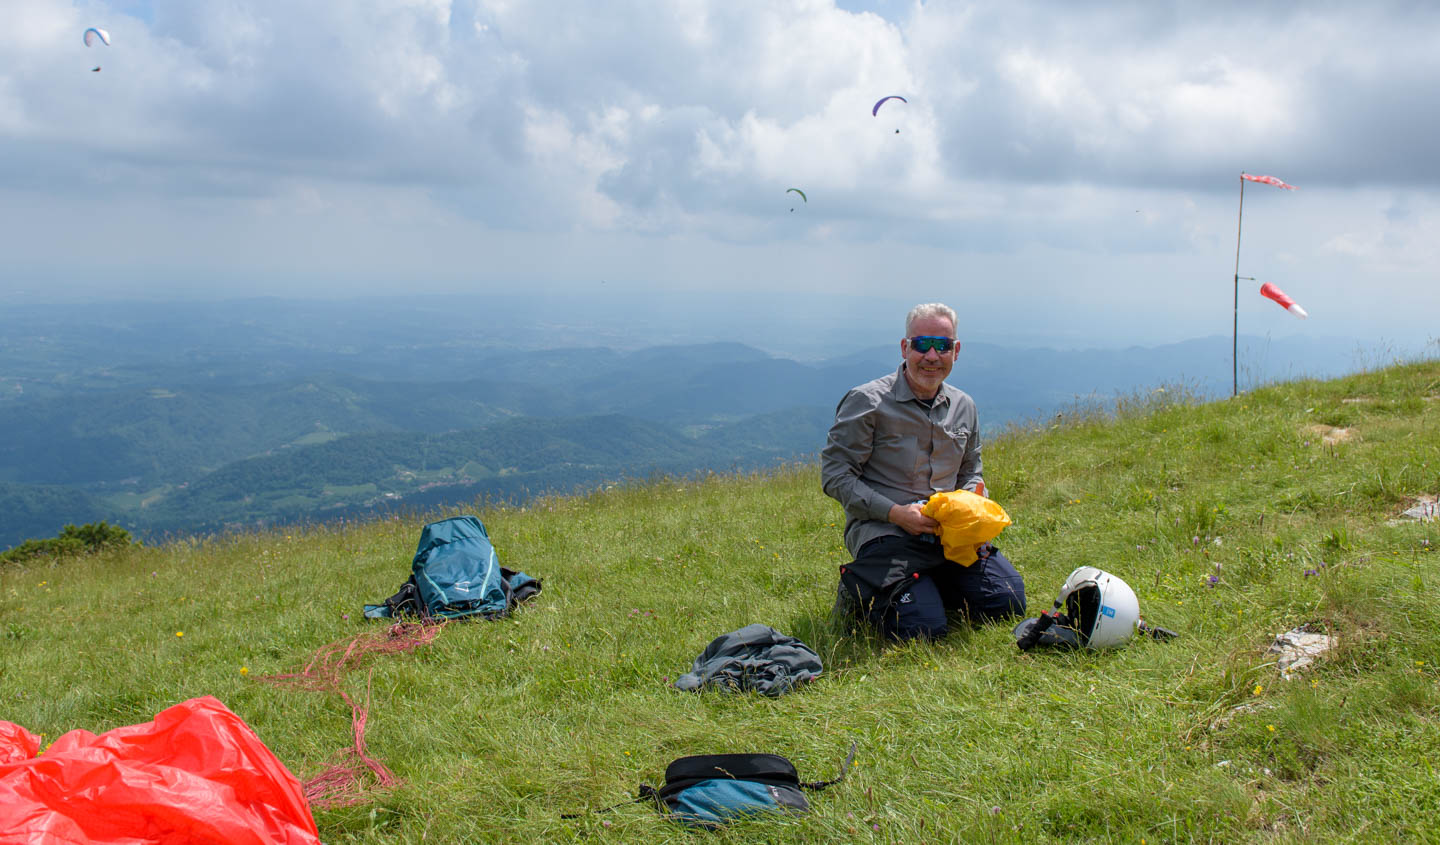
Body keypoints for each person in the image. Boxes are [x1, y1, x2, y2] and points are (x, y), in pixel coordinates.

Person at [821, 303, 1025, 641]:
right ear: (905, 348)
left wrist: (974, 504)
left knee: (1006, 602)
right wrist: (897, 514)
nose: (932, 355)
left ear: (955, 352)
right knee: (921, 629)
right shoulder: (868, 402)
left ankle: (928, 583)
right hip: (885, 531)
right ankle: (863, 593)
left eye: (943, 346)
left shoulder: (964, 406)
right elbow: (835, 476)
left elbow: (971, 471)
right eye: (922, 344)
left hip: (949, 535)